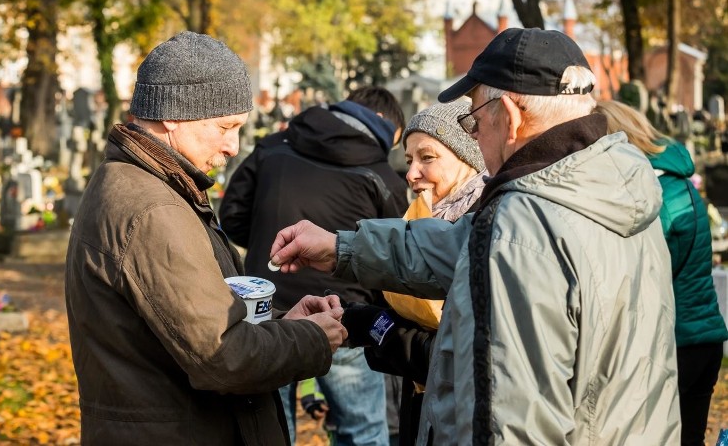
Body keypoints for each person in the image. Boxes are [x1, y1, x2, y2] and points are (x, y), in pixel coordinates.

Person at [269, 27, 681, 444]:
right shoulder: (607, 185)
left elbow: (512, 419)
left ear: (512, 116)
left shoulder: (526, 223)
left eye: (473, 121)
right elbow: (456, 245)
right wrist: (341, 248)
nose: (474, 134)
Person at [64, 31, 347, 445]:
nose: (233, 146)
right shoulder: (152, 209)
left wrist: (282, 326)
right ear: (174, 115)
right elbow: (222, 357)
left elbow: (191, 330)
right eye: (225, 127)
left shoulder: (149, 187)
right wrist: (312, 338)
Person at [220, 85, 409, 446]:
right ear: (381, 123)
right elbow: (396, 256)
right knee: (364, 433)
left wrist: (271, 248)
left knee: (273, 430)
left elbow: (232, 216)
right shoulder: (382, 176)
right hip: (345, 316)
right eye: (394, 141)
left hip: (268, 311)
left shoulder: (274, 147)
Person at [342, 101, 486, 446]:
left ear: (469, 157)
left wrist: (378, 329)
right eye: (409, 160)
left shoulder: (483, 227)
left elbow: (464, 359)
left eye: (428, 157)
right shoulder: (420, 218)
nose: (411, 173)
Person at [596, 100, 728, 446]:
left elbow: (648, 268)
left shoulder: (652, 193)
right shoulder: (678, 181)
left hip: (675, 342)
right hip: (703, 337)